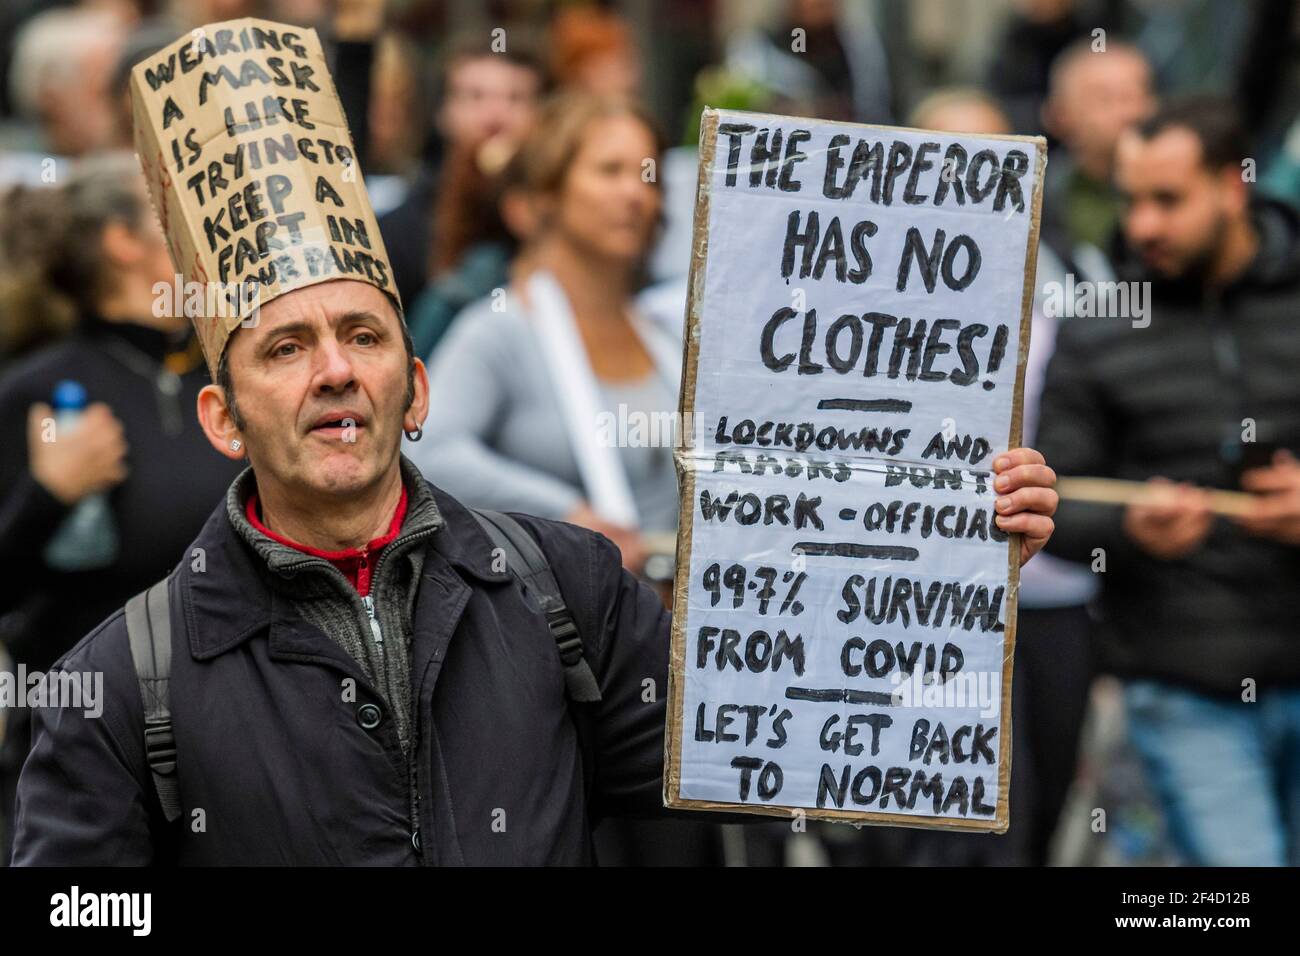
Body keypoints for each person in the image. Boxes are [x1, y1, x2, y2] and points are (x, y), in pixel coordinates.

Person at [7, 25, 1062, 865]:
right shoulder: (125, 676)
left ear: (414, 389)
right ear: (223, 418)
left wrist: (941, 575)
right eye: (285, 346)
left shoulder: (564, 592)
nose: (334, 368)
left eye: (363, 334)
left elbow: (780, 749)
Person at [1037, 95, 1300, 866]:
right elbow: (1054, 500)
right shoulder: (1097, 322)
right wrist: (1128, 529)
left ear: (1233, 186)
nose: (1144, 225)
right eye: (1130, 201)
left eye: (1168, 200)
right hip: (1183, 682)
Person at [0, 152, 242, 860]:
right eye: (179, 211)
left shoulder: (231, 370)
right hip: (89, 735)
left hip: (236, 726)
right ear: (122, 240)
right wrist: (47, 498)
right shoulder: (37, 390)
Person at [409, 93, 677, 579]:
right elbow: (426, 453)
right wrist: (566, 517)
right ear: (544, 197)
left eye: (647, 173)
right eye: (609, 171)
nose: (635, 192)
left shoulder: (669, 330)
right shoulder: (498, 328)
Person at [377, 33, 544, 308]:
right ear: (444, 114)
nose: (495, 116)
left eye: (515, 99)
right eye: (475, 97)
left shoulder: (561, 219)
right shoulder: (402, 229)